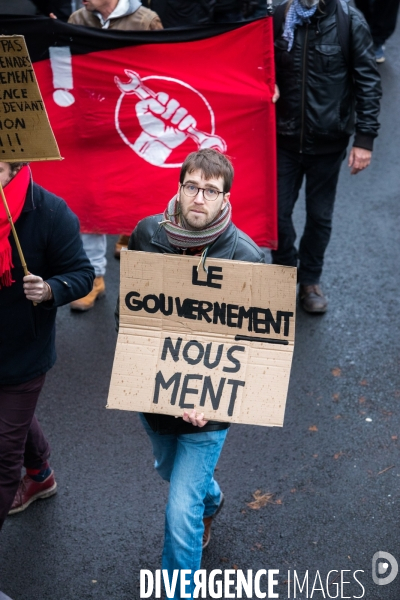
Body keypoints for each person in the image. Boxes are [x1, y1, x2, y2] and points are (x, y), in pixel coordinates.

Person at [117, 149, 264, 599]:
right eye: (192, 186)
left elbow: (256, 349)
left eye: (211, 190)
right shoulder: (146, 234)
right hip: (155, 396)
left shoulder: (246, 257)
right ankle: (212, 499)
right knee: (168, 469)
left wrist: (212, 401)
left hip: (209, 408)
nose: (200, 197)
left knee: (181, 511)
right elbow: (130, 316)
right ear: (179, 187)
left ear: (225, 198)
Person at [0, 162, 94, 527]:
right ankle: (40, 475)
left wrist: (51, 289)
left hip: (24, 353)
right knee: (14, 417)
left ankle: (30, 474)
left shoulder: (51, 212)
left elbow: (83, 275)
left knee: (4, 453)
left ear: (16, 166)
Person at [272, 0, 381, 313]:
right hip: (283, 139)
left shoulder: (349, 21)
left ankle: (310, 280)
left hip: (328, 144)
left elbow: (368, 83)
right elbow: (259, 65)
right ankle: (283, 271)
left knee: (319, 217)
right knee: (278, 214)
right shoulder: (279, 16)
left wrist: (365, 139)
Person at [67, 0, 163, 311]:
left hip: (133, 132)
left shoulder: (146, 21)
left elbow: (164, 72)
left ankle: (148, 285)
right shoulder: (78, 17)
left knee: (141, 202)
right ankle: (94, 277)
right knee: (90, 202)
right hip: (92, 127)